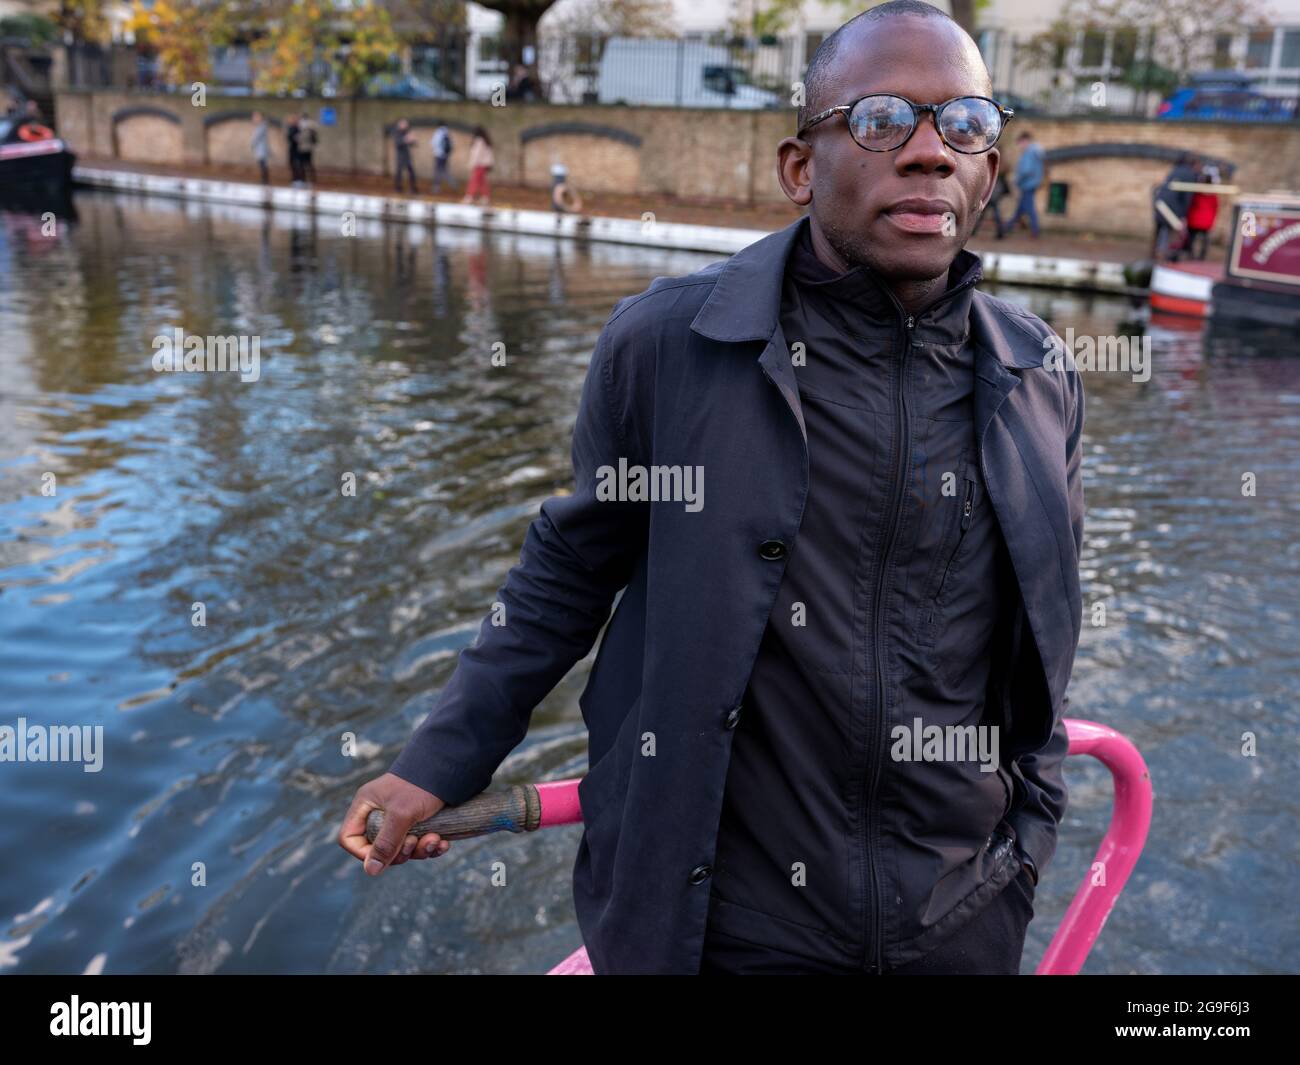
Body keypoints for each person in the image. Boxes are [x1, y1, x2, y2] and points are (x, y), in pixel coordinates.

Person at [339, 0, 1080, 977]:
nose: (930, 152)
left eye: (966, 125)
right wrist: (438, 763)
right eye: (882, 120)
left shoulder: (1037, 375)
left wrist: (1023, 842)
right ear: (798, 166)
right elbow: (566, 574)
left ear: (990, 165)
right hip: (723, 930)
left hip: (961, 921)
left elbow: (1036, 641)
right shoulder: (669, 346)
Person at [1152, 154, 1198, 262]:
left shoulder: (1175, 170)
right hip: (1172, 208)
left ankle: (1157, 253)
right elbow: (1187, 197)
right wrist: (1183, 215)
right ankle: (1164, 256)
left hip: (1160, 203)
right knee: (1171, 232)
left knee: (1161, 230)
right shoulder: (1190, 175)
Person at [998, 130, 1044, 237]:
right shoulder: (1035, 151)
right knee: (1022, 208)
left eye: (1020, 143)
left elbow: (1026, 170)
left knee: (1028, 207)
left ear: (1025, 141)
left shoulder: (1029, 152)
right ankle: (1009, 226)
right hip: (1032, 183)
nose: (1019, 146)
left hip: (1028, 184)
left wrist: (1017, 179)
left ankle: (1034, 230)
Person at [1185, 161, 1219, 262]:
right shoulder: (1213, 195)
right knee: (1204, 240)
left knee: (1192, 239)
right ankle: (1201, 257)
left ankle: (1191, 255)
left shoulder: (1197, 192)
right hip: (1206, 221)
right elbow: (1216, 207)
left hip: (1194, 220)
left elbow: (1191, 204)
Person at [972, 170, 1009, 239]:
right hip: (992, 193)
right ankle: (1000, 232)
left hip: (992, 194)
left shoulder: (998, 167)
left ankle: (1000, 232)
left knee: (985, 214)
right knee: (986, 214)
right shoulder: (999, 167)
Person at [462, 126, 494, 206]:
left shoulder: (479, 141)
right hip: (484, 164)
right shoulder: (485, 141)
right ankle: (485, 198)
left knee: (474, 181)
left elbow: (477, 155)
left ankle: (469, 197)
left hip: (479, 164)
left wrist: (472, 164)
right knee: (482, 182)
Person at [391, 118, 417, 194]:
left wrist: (413, 140)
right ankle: (397, 188)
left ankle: (413, 188)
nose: (406, 125)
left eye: (406, 124)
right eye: (404, 124)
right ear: (400, 124)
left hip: (407, 155)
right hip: (400, 156)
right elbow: (397, 143)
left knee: (411, 172)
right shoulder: (396, 132)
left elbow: (411, 143)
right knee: (399, 172)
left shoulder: (406, 132)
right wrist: (405, 140)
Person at [431, 122, 454, 193]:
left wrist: (435, 150)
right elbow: (452, 144)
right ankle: (451, 181)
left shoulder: (438, 132)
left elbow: (433, 142)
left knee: (438, 171)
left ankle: (436, 187)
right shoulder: (447, 133)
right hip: (445, 155)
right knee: (444, 170)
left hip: (438, 154)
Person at [250, 111, 270, 185]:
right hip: (260, 149)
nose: (254, 118)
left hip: (262, 150)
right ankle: (264, 181)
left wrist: (252, 144)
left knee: (263, 165)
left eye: (256, 117)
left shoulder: (262, 126)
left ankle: (265, 181)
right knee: (262, 165)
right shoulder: (261, 126)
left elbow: (256, 138)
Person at [285, 114, 305, 187]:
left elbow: (298, 138)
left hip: (297, 150)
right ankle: (295, 179)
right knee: (293, 165)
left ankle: (300, 180)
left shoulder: (297, 128)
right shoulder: (291, 128)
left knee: (298, 165)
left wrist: (295, 139)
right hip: (293, 149)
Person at [298, 116, 318, 184]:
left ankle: (310, 179)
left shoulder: (308, 130)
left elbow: (300, 138)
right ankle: (305, 179)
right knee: (304, 165)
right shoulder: (307, 130)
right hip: (303, 149)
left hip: (306, 149)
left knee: (307, 164)